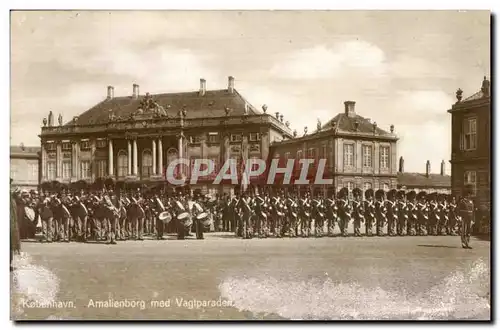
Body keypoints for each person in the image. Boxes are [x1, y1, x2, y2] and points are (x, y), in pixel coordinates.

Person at [459, 184, 475, 249]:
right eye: (469, 194)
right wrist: (460, 216)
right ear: (466, 194)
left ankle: (467, 243)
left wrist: (473, 219)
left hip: (470, 218)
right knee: (464, 230)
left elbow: (473, 211)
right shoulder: (462, 201)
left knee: (469, 231)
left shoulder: (471, 202)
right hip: (464, 217)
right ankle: (463, 243)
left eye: (470, 194)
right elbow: (459, 210)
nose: (470, 195)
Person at [10, 183, 21, 271]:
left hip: (12, 224)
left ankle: (9, 264)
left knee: (11, 245)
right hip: (10, 224)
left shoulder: (13, 199)